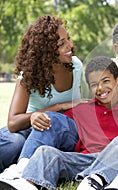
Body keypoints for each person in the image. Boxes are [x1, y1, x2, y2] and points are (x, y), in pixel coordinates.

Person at [0, 56, 118, 190]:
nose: (100, 88)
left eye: (106, 81)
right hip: (83, 161)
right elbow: (56, 124)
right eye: (94, 84)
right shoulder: (83, 108)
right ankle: (28, 181)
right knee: (46, 150)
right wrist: (35, 115)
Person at [0, 15, 87, 171]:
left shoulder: (76, 66)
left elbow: (88, 104)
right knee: (13, 142)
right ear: (46, 51)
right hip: (30, 127)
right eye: (62, 43)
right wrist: (58, 106)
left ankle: (21, 168)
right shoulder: (29, 75)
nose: (70, 45)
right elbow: (13, 123)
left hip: (58, 131)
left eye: (68, 39)